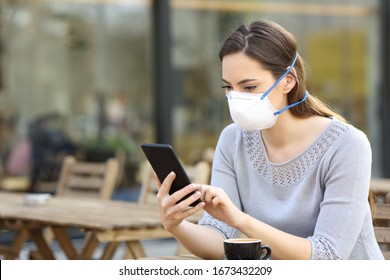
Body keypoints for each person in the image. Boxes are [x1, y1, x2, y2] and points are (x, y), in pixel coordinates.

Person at [156, 20, 384, 260]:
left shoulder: (347, 145)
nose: (236, 99)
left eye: (249, 87)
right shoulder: (232, 139)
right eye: (228, 88)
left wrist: (241, 220)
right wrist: (175, 225)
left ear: (288, 80)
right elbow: (218, 240)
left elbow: (328, 257)